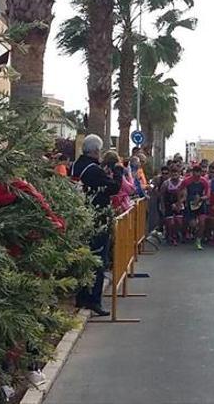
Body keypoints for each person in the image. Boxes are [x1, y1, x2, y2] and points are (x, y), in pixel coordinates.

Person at [71, 135, 120, 317]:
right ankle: (94, 301)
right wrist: (118, 172)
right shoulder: (93, 169)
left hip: (80, 216)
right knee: (98, 260)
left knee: (84, 259)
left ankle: (82, 296)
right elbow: (114, 188)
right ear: (94, 150)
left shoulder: (76, 166)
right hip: (97, 219)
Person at [182, 165, 209, 250]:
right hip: (190, 205)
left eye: (199, 172)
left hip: (201, 204)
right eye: (195, 172)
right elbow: (180, 191)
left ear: (201, 173)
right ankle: (191, 232)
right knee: (193, 224)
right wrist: (181, 201)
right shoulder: (186, 181)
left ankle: (198, 240)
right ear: (192, 172)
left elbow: (208, 195)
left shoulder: (204, 181)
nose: (197, 175)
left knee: (202, 223)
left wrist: (201, 198)